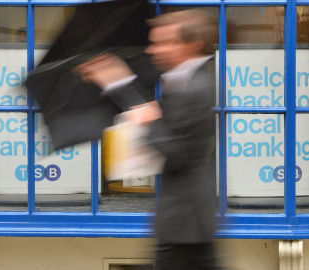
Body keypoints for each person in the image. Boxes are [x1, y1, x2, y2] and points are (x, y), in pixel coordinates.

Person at [76, 9, 219, 269]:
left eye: (162, 42)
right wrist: (121, 85)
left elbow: (177, 154)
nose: (153, 50)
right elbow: (165, 126)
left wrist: (146, 115)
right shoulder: (184, 80)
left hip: (185, 219)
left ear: (190, 45)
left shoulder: (195, 88)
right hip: (187, 219)